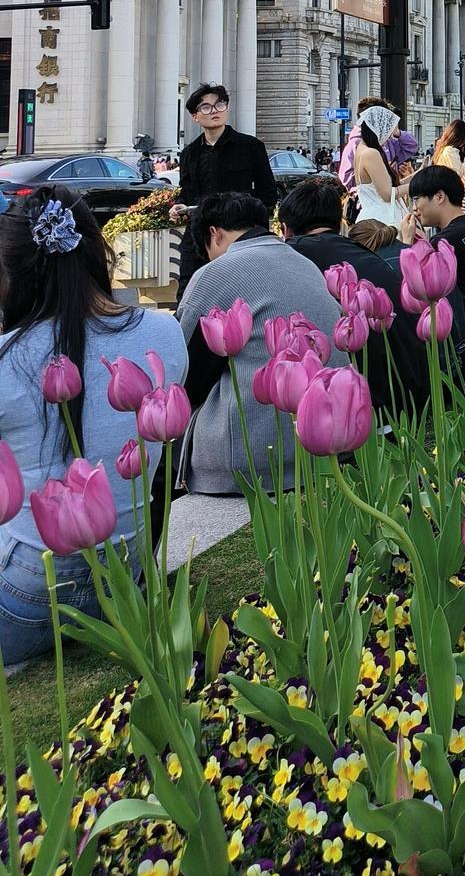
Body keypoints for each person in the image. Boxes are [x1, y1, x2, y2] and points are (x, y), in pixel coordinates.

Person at [0, 187, 187, 662]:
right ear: (99, 251)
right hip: (127, 571)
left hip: (26, 592)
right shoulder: (164, 335)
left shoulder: (8, 357)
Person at [177, 192, 339, 496]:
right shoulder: (305, 264)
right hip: (324, 439)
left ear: (214, 233)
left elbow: (184, 373)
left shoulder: (215, 272)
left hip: (252, 457)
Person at [277, 180, 428, 415]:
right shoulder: (361, 252)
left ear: (285, 229)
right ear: (339, 224)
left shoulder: (292, 256)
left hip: (367, 401)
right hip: (411, 389)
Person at [174, 83, 277, 293]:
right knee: (190, 290)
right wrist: (179, 206)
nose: (214, 111)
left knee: (242, 292)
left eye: (219, 105)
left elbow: (268, 193)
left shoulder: (250, 146)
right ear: (195, 116)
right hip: (201, 232)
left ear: (226, 109)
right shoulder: (189, 154)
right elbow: (187, 192)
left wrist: (254, 224)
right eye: (205, 107)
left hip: (240, 231)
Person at [405, 167, 465, 384]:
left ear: (439, 196)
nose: (414, 208)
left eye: (417, 199)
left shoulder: (443, 242)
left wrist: (406, 245)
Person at [352, 105, 405, 227]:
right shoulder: (371, 153)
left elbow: (383, 185)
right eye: (388, 132)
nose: (389, 138)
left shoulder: (361, 148)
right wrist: (416, 186)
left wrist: (417, 177)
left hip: (372, 216)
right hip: (382, 219)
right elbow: (387, 194)